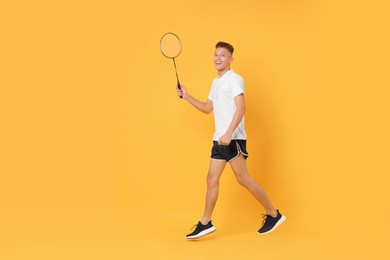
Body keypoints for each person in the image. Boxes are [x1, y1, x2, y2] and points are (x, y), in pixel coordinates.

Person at [178, 42, 285, 239]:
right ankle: (205, 222)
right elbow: (207, 108)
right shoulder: (216, 82)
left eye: (223, 55)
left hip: (232, 139)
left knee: (243, 179)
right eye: (216, 54)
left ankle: (273, 214)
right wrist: (186, 96)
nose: (218, 58)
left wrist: (228, 134)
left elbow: (241, 108)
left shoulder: (235, 79)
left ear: (230, 59)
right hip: (219, 140)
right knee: (211, 179)